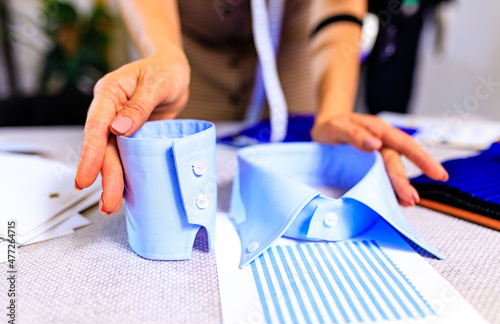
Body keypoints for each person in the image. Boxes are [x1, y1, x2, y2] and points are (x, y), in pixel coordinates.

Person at [74, 0, 448, 215]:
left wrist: (333, 109)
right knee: (179, 174)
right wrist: (164, 53)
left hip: (294, 50)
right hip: (191, 55)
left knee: (301, 169)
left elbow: (337, 6)